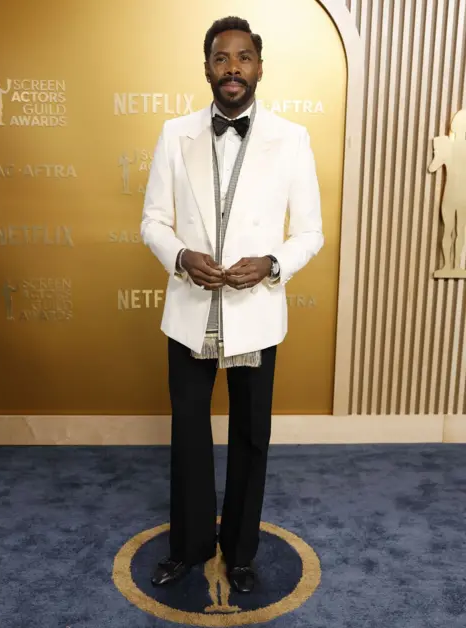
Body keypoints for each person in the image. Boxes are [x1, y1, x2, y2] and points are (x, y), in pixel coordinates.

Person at [141, 15, 323, 594]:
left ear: (260, 67)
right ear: (207, 69)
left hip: (255, 313)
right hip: (190, 308)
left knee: (251, 434)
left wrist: (272, 264)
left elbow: (310, 234)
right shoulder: (174, 134)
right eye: (222, 59)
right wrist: (179, 256)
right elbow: (152, 221)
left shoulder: (291, 138)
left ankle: (240, 552)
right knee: (189, 431)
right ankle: (190, 547)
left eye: (243, 58)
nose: (233, 69)